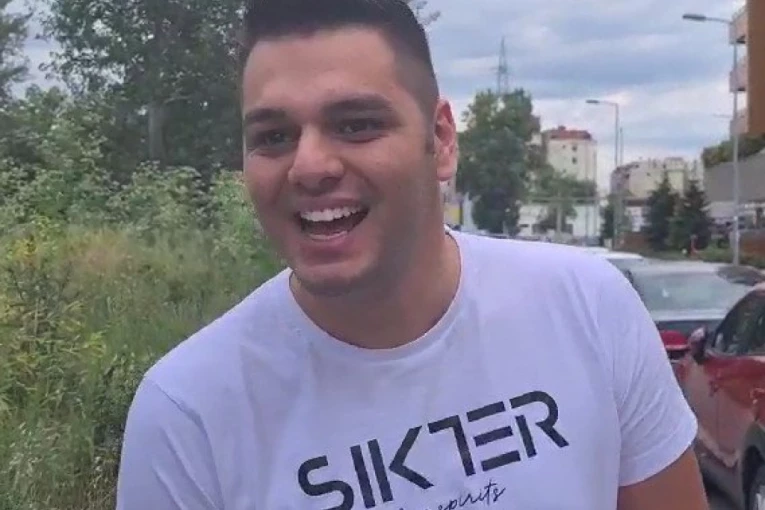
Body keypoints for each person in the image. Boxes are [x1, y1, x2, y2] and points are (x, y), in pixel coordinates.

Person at [115, 1, 710, 509]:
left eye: (356, 125)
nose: (310, 167)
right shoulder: (188, 413)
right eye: (273, 136)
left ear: (441, 140)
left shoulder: (589, 309)